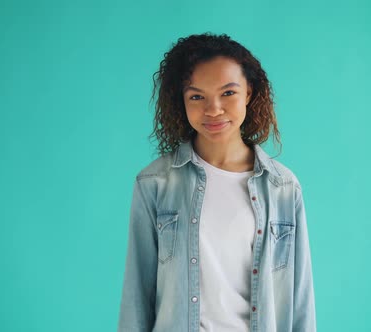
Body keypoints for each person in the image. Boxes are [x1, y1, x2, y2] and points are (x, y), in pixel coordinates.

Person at [117, 32, 316, 332]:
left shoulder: (283, 188)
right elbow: (136, 299)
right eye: (197, 96)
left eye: (228, 93)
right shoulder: (154, 183)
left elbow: (299, 301)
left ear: (249, 92)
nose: (213, 109)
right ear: (181, 101)